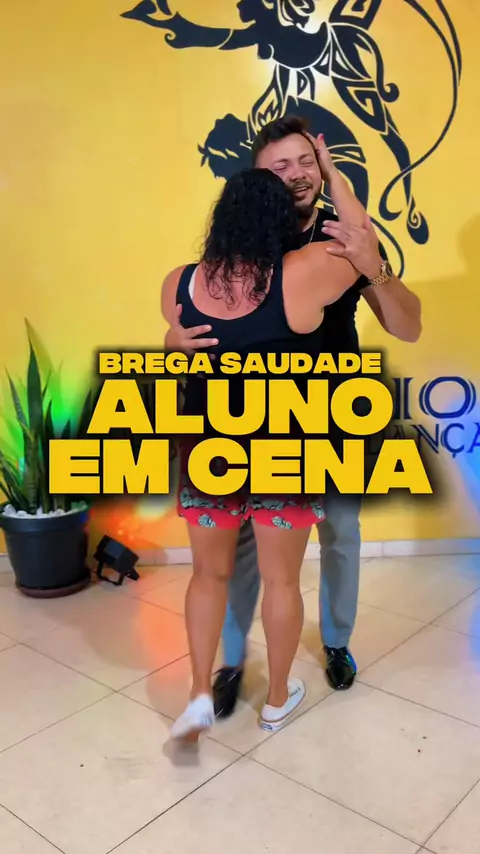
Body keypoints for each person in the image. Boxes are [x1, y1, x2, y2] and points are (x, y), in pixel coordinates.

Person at [165, 116, 422, 720]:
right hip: (251, 429)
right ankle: (233, 663)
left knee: (341, 533)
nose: (298, 173)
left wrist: (375, 265)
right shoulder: (243, 245)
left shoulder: (344, 237)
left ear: (322, 169)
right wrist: (173, 345)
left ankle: (335, 642)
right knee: (238, 549)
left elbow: (408, 326)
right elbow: (196, 329)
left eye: (308, 161)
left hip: (337, 414)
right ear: (259, 179)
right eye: (280, 165)